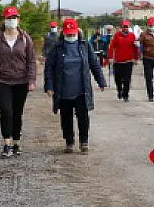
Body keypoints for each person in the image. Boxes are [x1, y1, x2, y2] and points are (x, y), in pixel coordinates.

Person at [44, 19, 107, 153]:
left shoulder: (85, 46)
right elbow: (49, 67)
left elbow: (94, 64)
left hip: (81, 89)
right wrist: (49, 86)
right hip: (63, 90)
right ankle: (69, 141)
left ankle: (84, 141)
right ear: (64, 33)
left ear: (78, 32)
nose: (71, 37)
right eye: (68, 34)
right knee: (66, 117)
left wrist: (101, 81)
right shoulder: (57, 47)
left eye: (73, 34)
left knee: (83, 116)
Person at [0, 6, 37, 157]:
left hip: (21, 81)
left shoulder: (25, 39)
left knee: (17, 112)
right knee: (6, 111)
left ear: (18, 20)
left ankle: (17, 141)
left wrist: (31, 80)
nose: (11, 21)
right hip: (1, 80)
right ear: (4, 20)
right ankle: (7, 142)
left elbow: (31, 61)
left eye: (14, 18)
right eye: (8, 18)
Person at [108, 19, 139, 102]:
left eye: (126, 27)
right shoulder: (117, 36)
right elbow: (111, 47)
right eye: (124, 27)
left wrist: (136, 58)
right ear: (121, 27)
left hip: (128, 61)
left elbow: (135, 48)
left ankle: (126, 95)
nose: (125, 28)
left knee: (127, 79)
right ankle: (119, 90)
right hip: (118, 61)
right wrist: (110, 57)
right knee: (118, 79)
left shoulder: (132, 36)